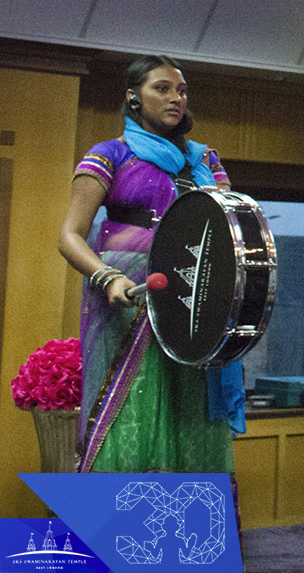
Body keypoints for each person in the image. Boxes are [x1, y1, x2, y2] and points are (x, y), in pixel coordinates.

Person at [59, 55, 244, 473]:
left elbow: (228, 224)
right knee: (130, 412)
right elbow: (69, 235)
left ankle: (185, 535)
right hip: (128, 301)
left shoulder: (205, 161)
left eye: (181, 90)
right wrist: (108, 278)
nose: (175, 98)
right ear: (133, 97)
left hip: (195, 302)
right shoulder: (110, 155)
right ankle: (118, 534)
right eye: (162, 88)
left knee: (191, 415)